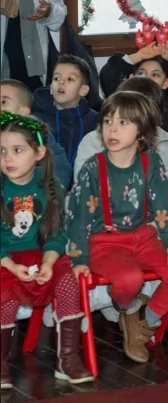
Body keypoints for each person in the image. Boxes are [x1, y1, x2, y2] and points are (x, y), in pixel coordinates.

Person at [65, 91, 168, 364]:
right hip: (105, 240)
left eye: (123, 123)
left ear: (142, 132)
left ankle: (143, 322)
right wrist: (79, 259)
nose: (112, 128)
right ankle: (128, 309)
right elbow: (79, 218)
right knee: (129, 279)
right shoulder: (93, 168)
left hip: (143, 236)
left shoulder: (151, 162)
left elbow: (162, 208)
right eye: (108, 121)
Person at [0, 113, 93, 387]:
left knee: (67, 281)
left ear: (39, 152)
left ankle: (68, 358)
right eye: (2, 151)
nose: (8, 158)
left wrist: (50, 262)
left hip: (43, 255)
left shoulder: (51, 187)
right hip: (6, 259)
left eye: (17, 150)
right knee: (3, 292)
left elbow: (57, 234)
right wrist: (9, 265)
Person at [74, 76, 168, 188]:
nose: (114, 128)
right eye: (108, 121)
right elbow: (82, 179)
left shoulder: (164, 142)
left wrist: (144, 185)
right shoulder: (94, 140)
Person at [98, 43, 168, 145]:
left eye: (155, 75)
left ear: (166, 82)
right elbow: (107, 75)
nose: (148, 78)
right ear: (132, 78)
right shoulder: (122, 101)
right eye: (141, 73)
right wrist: (137, 56)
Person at [1, 79, 72, 188]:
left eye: (4, 102)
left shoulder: (35, 131)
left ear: (23, 112)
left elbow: (59, 165)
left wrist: (52, 192)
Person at [32, 55, 99, 166]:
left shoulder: (95, 121)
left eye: (70, 79)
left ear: (83, 90)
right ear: (51, 88)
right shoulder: (37, 120)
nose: (61, 82)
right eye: (56, 78)